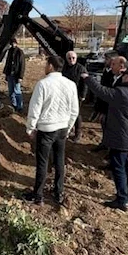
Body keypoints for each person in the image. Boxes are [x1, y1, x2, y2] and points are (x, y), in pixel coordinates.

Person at [82, 66, 128, 211]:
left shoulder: (121, 93)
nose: (122, 77)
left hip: (121, 139)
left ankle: (122, 200)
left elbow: (101, 91)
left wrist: (87, 78)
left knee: (118, 168)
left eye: (124, 76)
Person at [24, 55, 80, 205]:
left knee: (43, 162)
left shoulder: (43, 84)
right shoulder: (70, 84)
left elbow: (35, 108)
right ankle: (59, 192)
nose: (44, 66)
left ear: (50, 66)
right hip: (62, 129)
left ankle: (38, 195)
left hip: (46, 129)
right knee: (59, 161)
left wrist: (30, 128)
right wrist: (68, 127)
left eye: (46, 64)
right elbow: (75, 110)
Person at [93, 54, 126, 151]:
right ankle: (105, 144)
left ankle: (112, 149)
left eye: (114, 64)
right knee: (105, 126)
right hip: (107, 108)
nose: (111, 66)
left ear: (121, 66)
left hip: (117, 112)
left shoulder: (124, 80)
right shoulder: (113, 76)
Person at [62, 50, 87, 141]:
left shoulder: (81, 69)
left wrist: (83, 95)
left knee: (76, 114)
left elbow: (85, 83)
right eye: (69, 58)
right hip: (65, 95)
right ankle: (68, 129)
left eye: (73, 58)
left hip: (77, 95)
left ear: (76, 58)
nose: (71, 59)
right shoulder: (64, 68)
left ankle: (78, 133)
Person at [3, 37, 26, 113]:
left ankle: (20, 107)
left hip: (16, 75)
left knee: (17, 91)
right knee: (11, 91)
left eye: (14, 43)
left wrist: (20, 76)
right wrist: (6, 73)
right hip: (9, 74)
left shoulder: (20, 52)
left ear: (16, 43)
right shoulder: (9, 51)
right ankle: (14, 105)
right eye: (12, 43)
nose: (13, 44)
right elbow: (7, 62)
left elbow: (22, 65)